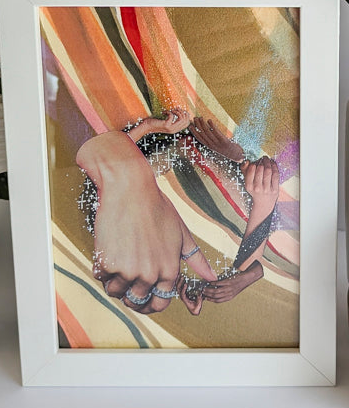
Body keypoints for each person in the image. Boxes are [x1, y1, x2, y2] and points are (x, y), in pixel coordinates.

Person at [75, 112, 280, 318]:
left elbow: (107, 153)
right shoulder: (164, 233)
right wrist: (246, 275)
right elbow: (240, 271)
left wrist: (150, 127)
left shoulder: (123, 186)